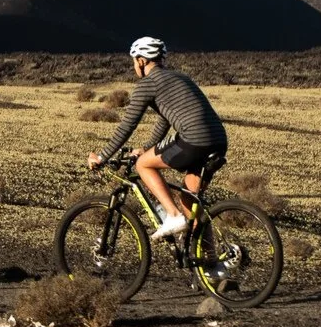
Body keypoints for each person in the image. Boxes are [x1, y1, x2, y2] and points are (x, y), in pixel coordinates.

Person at [86, 36, 227, 242]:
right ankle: (211, 264)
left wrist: (102, 157)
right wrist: (148, 147)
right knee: (190, 202)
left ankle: (173, 215)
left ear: (141, 61)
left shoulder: (147, 84)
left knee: (143, 165)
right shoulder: (180, 78)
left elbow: (127, 125)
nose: (134, 65)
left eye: (134, 61)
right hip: (218, 140)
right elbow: (164, 120)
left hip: (194, 139)